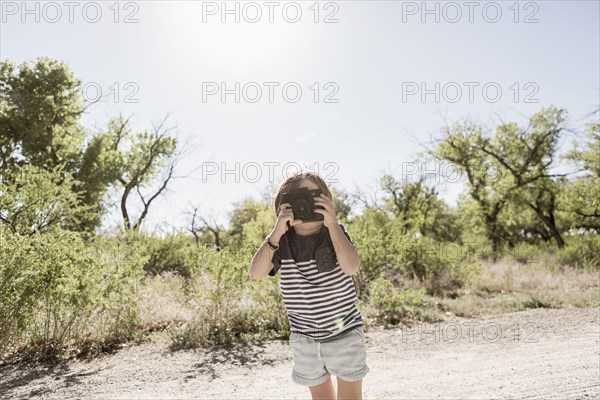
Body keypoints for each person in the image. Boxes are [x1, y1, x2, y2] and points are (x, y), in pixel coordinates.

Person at [249, 171, 369, 400]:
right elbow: (256, 273)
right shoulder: (281, 241)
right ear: (282, 206)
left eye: (312, 197)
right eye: (297, 198)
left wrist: (333, 225)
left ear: (327, 200)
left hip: (344, 331)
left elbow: (352, 267)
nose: (304, 204)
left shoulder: (334, 232)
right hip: (305, 338)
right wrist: (276, 232)